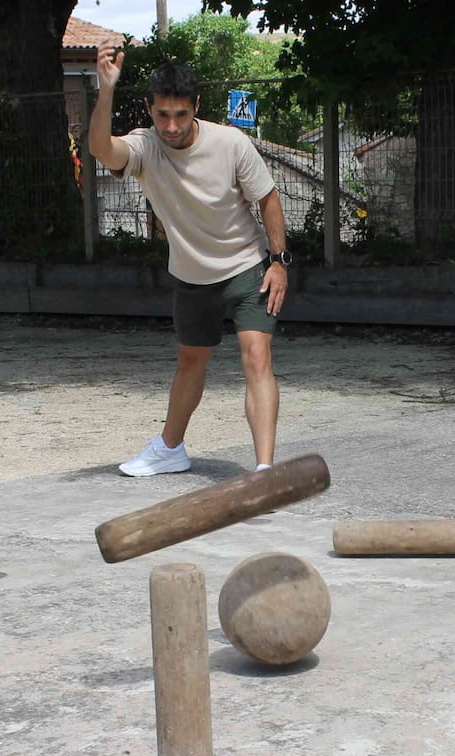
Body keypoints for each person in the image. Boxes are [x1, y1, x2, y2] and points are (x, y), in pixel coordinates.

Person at [88, 43, 292, 477]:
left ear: (196, 106)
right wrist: (105, 89)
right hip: (192, 276)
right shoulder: (145, 147)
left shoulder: (230, 143)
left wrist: (278, 261)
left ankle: (264, 470)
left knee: (256, 356)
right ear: (149, 109)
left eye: (181, 114)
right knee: (190, 360)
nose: (172, 125)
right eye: (162, 114)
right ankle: (170, 449)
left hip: (246, 268)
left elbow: (269, 198)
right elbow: (102, 151)